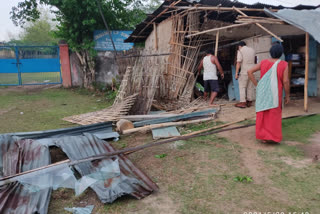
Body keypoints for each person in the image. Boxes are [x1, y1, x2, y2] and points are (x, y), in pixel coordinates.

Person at [247, 43, 290, 143]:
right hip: (275, 93)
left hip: (263, 92)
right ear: (281, 53)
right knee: (273, 114)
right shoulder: (283, 64)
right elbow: (285, 81)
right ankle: (273, 137)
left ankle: (264, 138)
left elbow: (249, 71)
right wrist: (287, 95)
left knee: (263, 112)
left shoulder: (263, 62)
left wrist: (257, 85)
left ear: (270, 52)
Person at [235, 41, 256, 108]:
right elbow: (256, 60)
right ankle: (249, 101)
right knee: (250, 86)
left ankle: (243, 102)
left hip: (244, 71)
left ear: (239, 46)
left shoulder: (240, 51)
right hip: (252, 71)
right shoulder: (252, 50)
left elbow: (238, 62)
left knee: (242, 86)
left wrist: (236, 73)